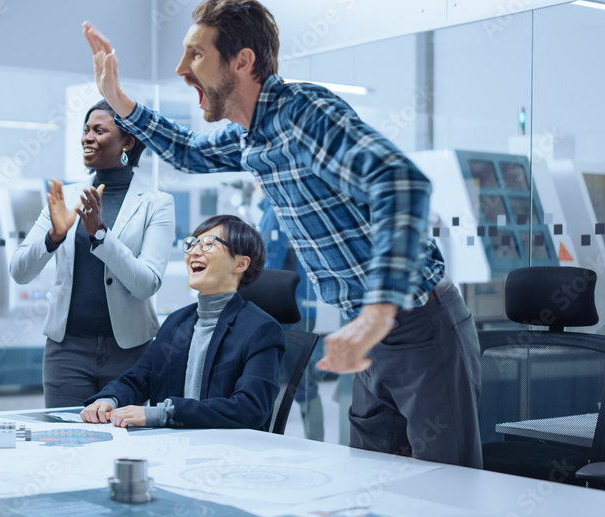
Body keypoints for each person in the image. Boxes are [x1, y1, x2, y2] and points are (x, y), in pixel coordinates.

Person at [83, 0, 482, 468]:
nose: (180, 69)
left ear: (242, 60)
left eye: (195, 55)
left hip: (415, 322)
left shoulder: (302, 113)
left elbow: (401, 183)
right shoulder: (255, 136)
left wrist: (376, 313)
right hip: (369, 333)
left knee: (449, 489)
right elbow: (190, 152)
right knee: (378, 485)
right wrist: (118, 99)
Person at [10, 99, 176, 408]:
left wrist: (100, 234)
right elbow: (20, 271)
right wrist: (54, 235)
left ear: (127, 141)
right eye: (86, 129)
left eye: (99, 130)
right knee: (65, 442)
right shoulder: (66, 197)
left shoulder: (156, 203)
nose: (87, 137)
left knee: (123, 445)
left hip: (129, 352)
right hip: (66, 352)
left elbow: (147, 284)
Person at [81, 215, 283, 429]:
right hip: (171, 447)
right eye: (192, 244)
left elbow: (250, 409)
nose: (194, 252)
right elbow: (138, 378)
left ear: (241, 263)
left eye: (208, 244)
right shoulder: (177, 322)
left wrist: (164, 414)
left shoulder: (260, 330)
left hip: (226, 453)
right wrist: (108, 400)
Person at [258, 197, 325, 441]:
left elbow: (269, 263)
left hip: (285, 307)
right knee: (298, 382)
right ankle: (313, 442)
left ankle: (308, 442)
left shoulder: (277, 208)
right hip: (299, 307)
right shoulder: (281, 207)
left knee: (288, 382)